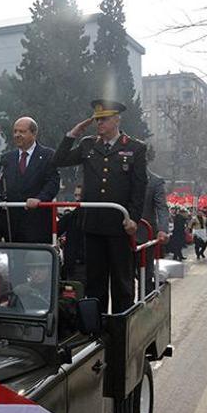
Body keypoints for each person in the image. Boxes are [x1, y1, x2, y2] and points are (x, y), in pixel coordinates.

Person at [52, 99, 147, 313]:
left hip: (118, 226)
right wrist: (72, 134)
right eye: (96, 120)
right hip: (92, 224)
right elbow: (58, 160)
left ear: (116, 119)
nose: (99, 124)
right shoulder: (88, 144)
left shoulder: (135, 148)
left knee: (122, 283)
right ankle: (98, 328)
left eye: (103, 119)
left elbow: (139, 187)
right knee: (95, 283)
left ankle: (121, 328)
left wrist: (133, 218)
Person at [0, 117, 60, 243]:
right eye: (15, 131)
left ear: (34, 133)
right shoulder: (7, 159)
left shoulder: (48, 155)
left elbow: (53, 183)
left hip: (38, 221)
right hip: (13, 224)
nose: (17, 135)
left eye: (22, 131)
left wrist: (39, 199)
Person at [137, 165, 170, 292]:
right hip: (121, 234)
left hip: (145, 234)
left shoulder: (155, 181)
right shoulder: (119, 176)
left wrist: (163, 229)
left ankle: (143, 305)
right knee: (123, 278)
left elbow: (162, 207)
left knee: (145, 275)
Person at [58, 185, 85, 283]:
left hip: (88, 264)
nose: (77, 199)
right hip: (72, 266)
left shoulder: (96, 217)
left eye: (80, 195)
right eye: (76, 195)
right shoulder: (71, 217)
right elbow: (54, 230)